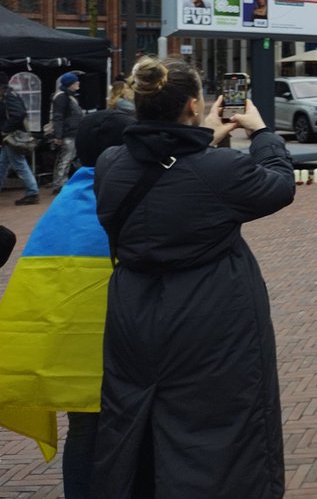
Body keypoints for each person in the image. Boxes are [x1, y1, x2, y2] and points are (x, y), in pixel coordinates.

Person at [92, 56, 294, 498]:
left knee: (136, 420)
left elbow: (161, 170)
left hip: (132, 315)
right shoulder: (221, 172)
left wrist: (202, 138)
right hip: (209, 316)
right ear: (191, 104)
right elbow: (279, 184)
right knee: (220, 428)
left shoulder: (109, 163)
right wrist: (261, 132)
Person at [0, 109, 135, 496]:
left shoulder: (65, 203)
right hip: (128, 351)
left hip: (72, 358)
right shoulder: (130, 196)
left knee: (84, 430)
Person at [0, 79, 40, 206]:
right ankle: (32, 192)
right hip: (10, 136)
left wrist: (4, 129)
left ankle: (32, 192)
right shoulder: (9, 94)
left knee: (19, 164)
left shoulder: (9, 96)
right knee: (3, 163)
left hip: (12, 136)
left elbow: (19, 114)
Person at [51, 73, 84, 191]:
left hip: (70, 132)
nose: (78, 83)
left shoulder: (67, 96)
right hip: (68, 133)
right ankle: (60, 184)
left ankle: (59, 182)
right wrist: (58, 136)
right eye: (76, 82)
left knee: (66, 158)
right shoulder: (63, 97)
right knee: (66, 158)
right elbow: (58, 117)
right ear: (70, 84)